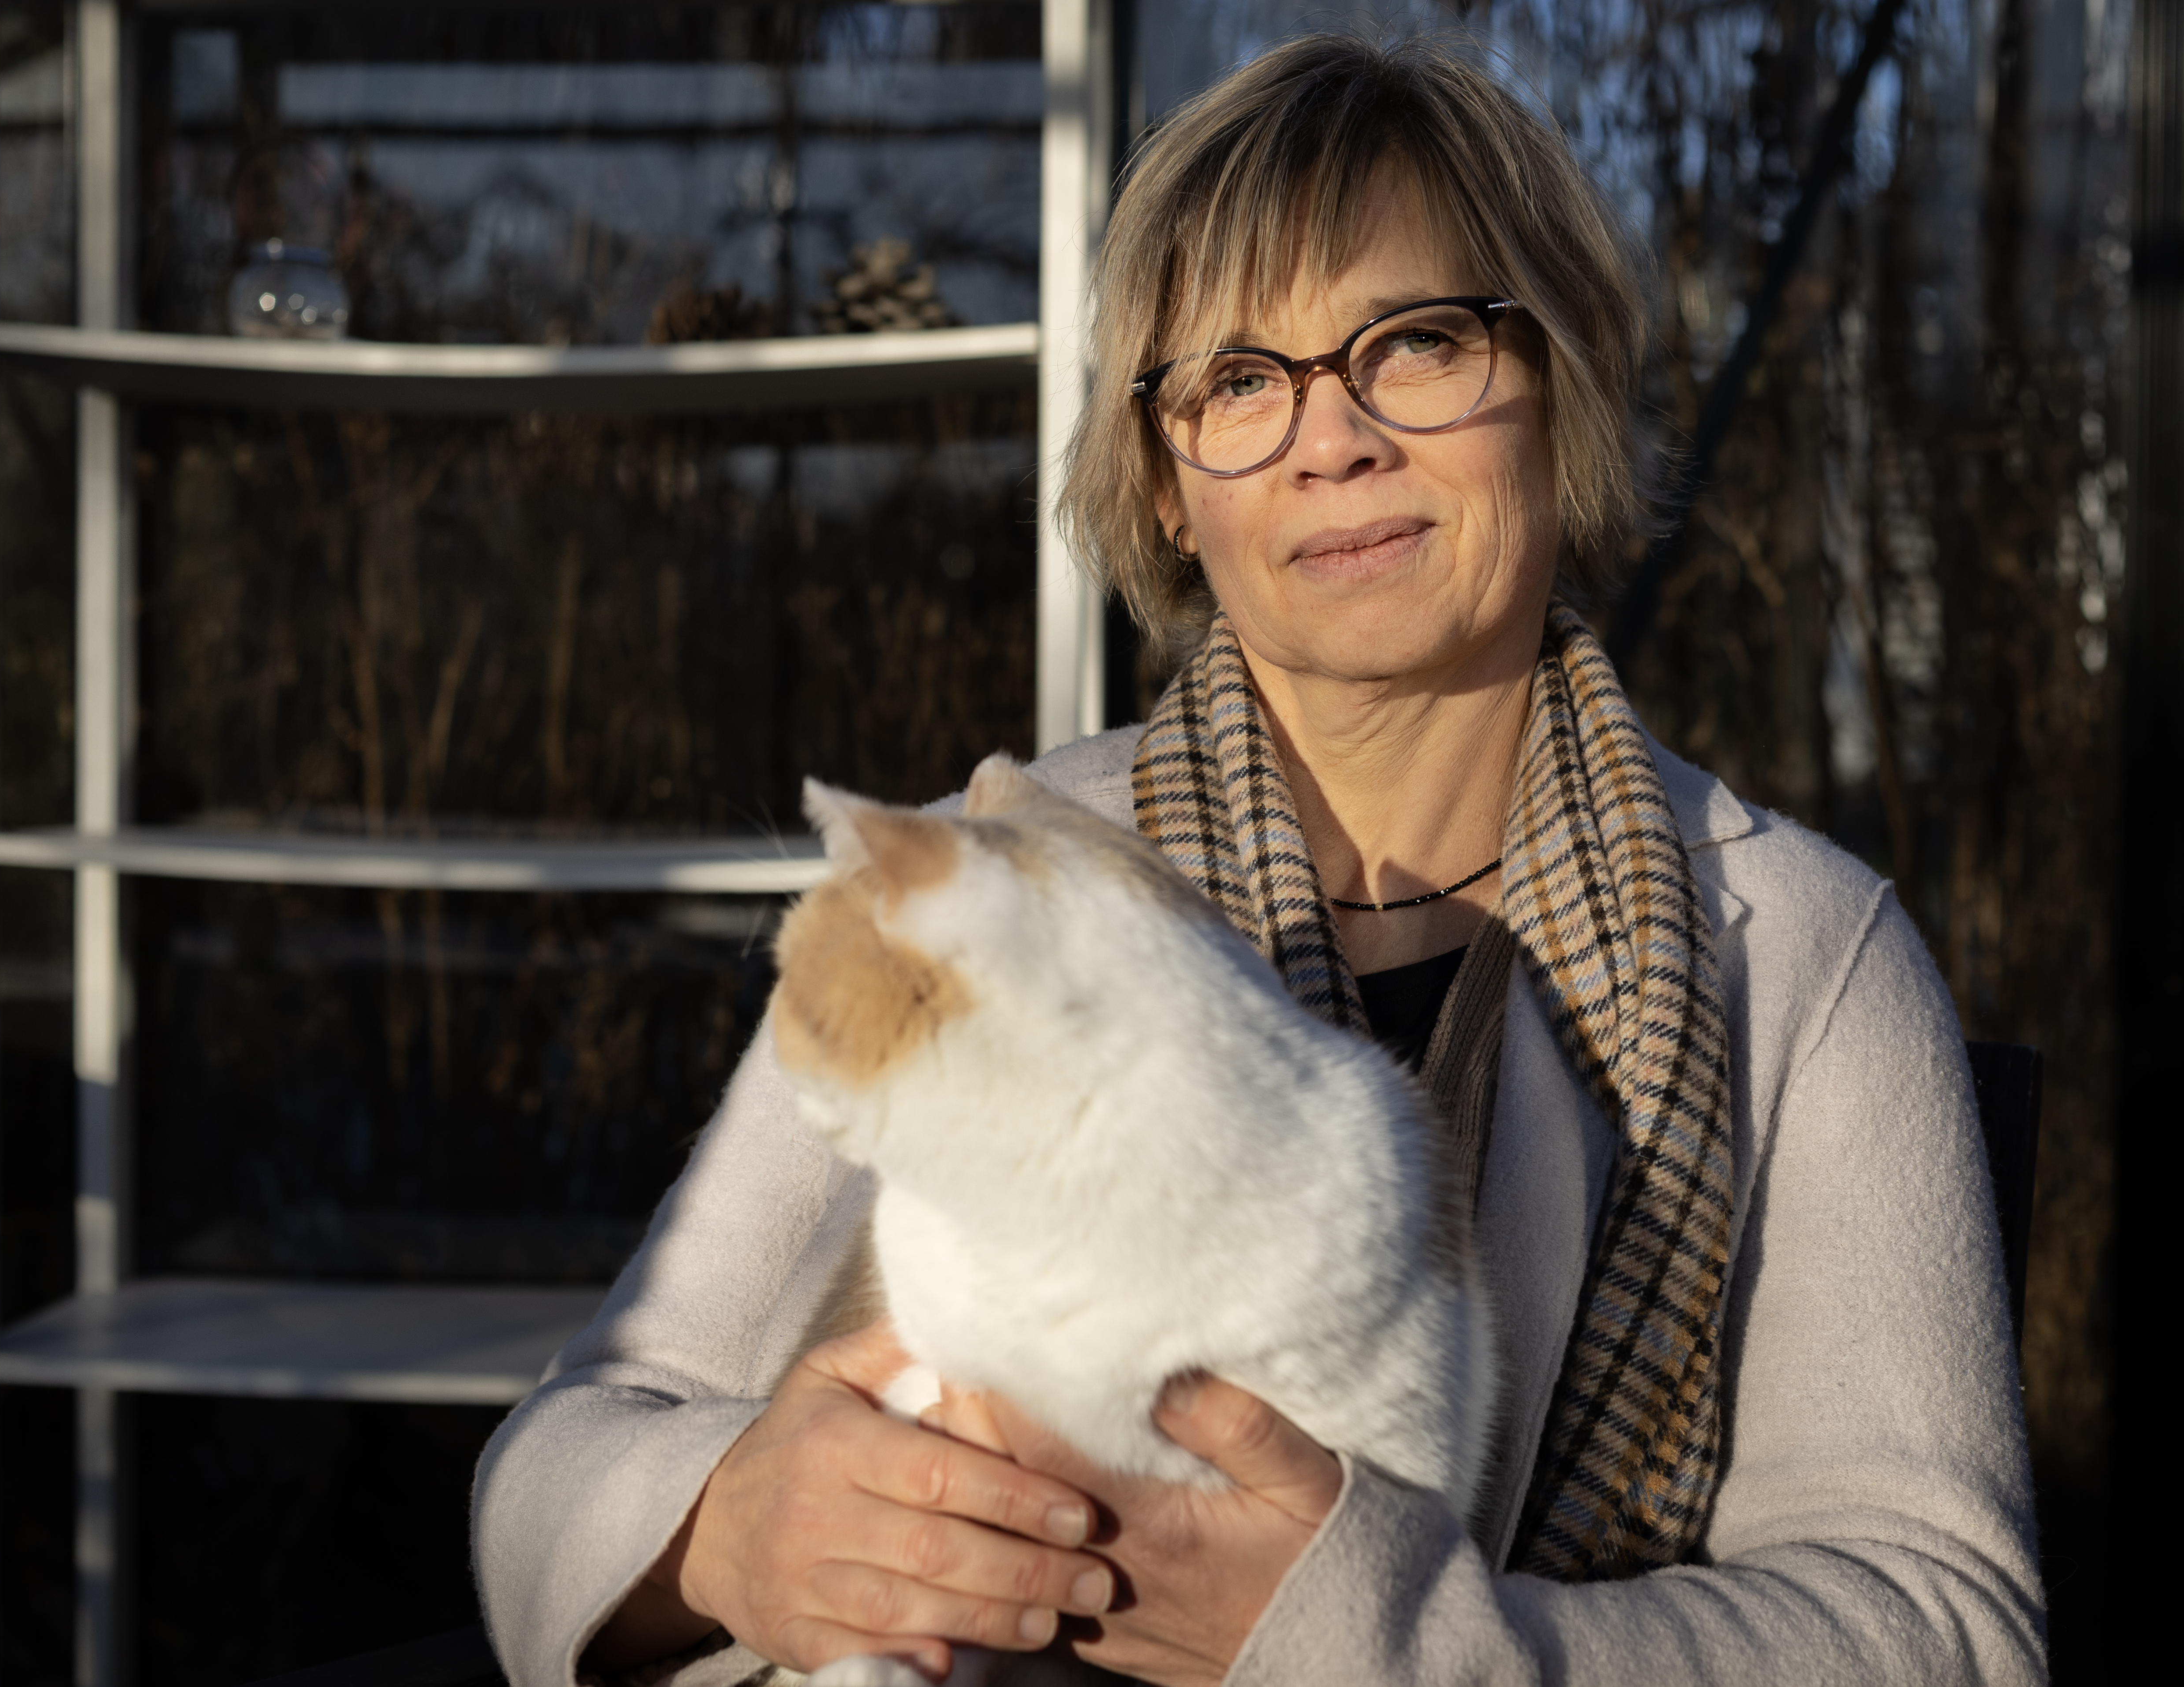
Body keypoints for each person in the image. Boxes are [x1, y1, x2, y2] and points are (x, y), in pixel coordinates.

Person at [473, 33, 2044, 1687]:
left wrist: (1387, 1646)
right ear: (1165, 486)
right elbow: (557, 1468)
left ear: (1561, 383)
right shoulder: (985, 888)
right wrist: (724, 1520)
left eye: (1416, 343)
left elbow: (1943, 1626)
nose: (1330, 439)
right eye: (1236, 381)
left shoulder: (1793, 950)